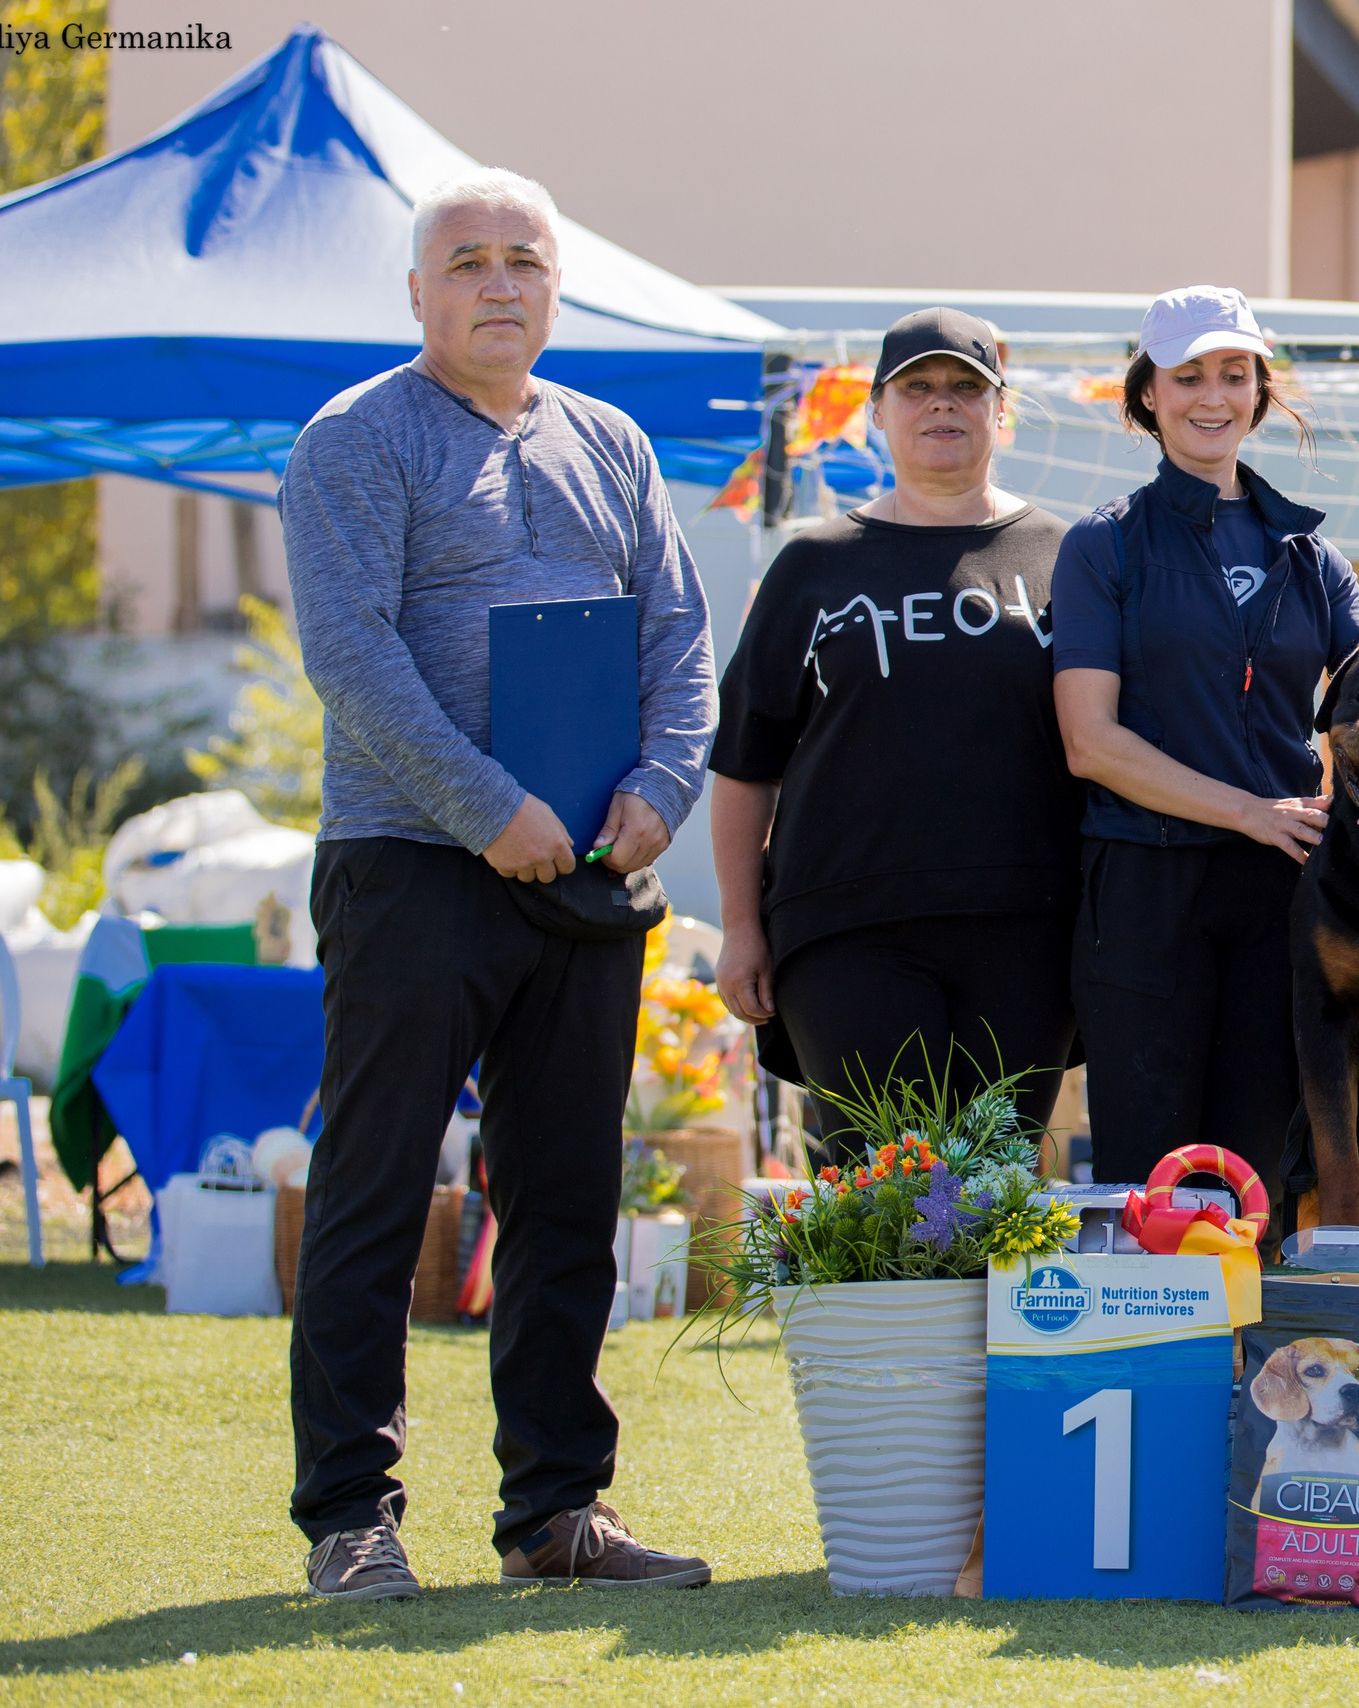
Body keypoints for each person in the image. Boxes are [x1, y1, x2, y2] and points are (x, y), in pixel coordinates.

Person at [281, 168, 715, 1600]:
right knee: (375, 1193)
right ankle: (352, 1516)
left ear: (555, 287)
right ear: (418, 293)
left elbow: (678, 640)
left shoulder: (612, 442)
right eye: (465, 261)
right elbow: (353, 659)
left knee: (565, 1199)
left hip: (589, 873)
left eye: (522, 260)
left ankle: (556, 1512)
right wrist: (488, 810)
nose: (497, 284)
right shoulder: (357, 440)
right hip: (414, 867)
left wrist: (660, 790)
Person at [708, 309, 1079, 1143]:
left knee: (992, 1202)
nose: (941, 405)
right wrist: (740, 928)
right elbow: (744, 764)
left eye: (965, 388)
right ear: (876, 411)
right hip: (845, 933)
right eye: (917, 388)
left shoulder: (1072, 557)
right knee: (881, 1204)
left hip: (1028, 930)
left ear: (1001, 410)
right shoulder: (814, 564)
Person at [1053, 285, 1359, 1196]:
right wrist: (1248, 811)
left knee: (1253, 1175)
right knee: (1143, 1173)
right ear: (1148, 392)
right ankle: (1146, 1347)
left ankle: (1245, 1346)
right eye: (1188, 374)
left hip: (1278, 895)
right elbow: (1090, 742)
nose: (1213, 396)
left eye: (1235, 374)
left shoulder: (1313, 558)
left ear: (1260, 392)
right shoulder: (1100, 547)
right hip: (1143, 891)